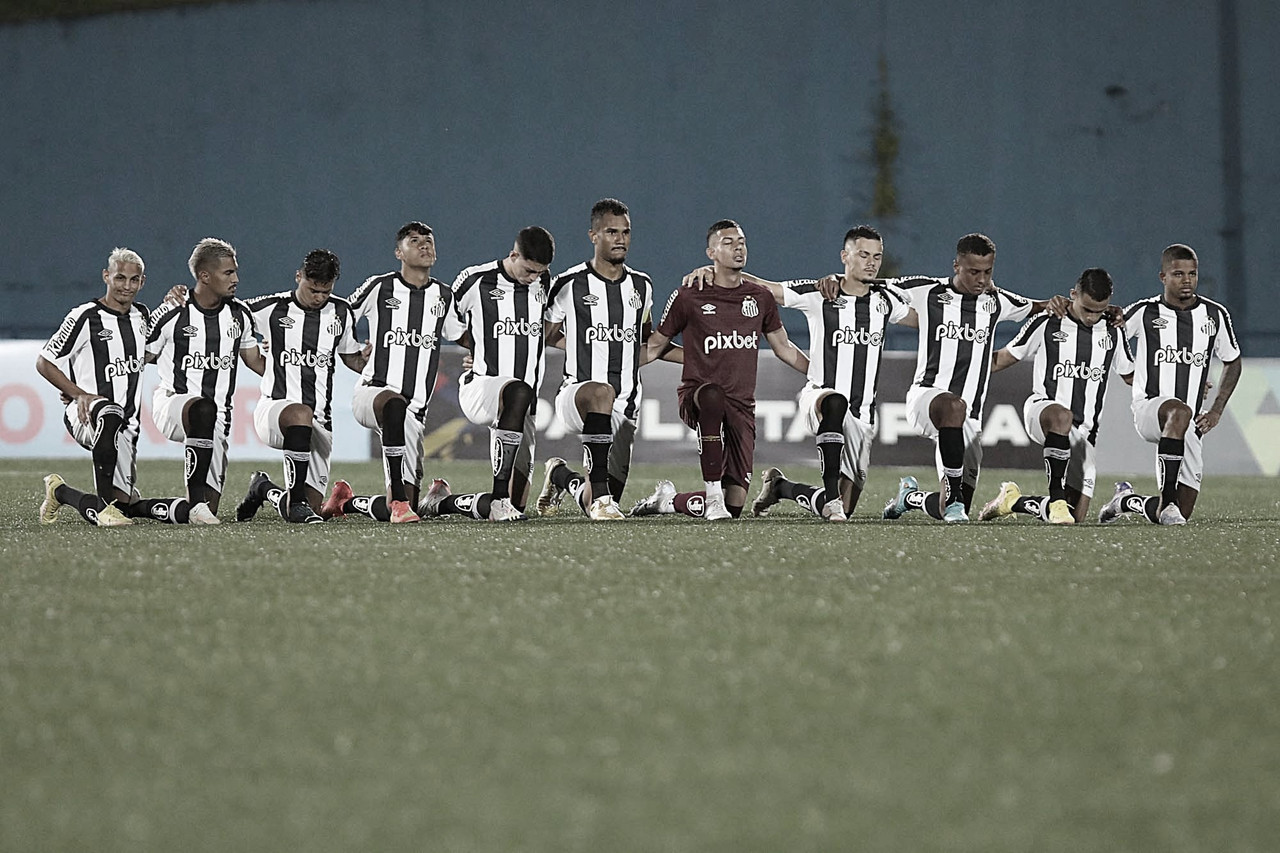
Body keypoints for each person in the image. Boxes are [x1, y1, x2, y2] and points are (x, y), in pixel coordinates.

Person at [719, 225, 919, 522]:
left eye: (877, 256)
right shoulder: (819, 293)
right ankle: (834, 502)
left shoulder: (885, 300)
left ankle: (781, 487)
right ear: (844, 256)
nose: (871, 262)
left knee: (844, 506)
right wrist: (720, 272)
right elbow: (767, 288)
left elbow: (925, 318)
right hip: (820, 396)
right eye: (863, 254)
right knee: (835, 402)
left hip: (862, 415)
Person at [881, 233, 1067, 523]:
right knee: (953, 406)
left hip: (969, 417)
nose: (981, 279)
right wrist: (834, 282)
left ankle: (911, 497)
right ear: (956, 266)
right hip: (927, 398)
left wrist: (1057, 304)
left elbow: (1035, 306)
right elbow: (873, 287)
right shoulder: (928, 290)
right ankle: (953, 499)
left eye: (987, 272)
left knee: (953, 508)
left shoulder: (996, 300)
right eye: (973, 272)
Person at [634, 219, 809, 521]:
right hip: (698, 397)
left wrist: (822, 375)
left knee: (736, 505)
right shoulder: (689, 294)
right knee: (712, 396)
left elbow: (785, 349)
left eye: (741, 241)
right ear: (711, 252)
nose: (738, 247)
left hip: (741, 405)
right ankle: (712, 494)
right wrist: (608, 365)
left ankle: (668, 501)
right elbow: (654, 346)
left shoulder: (760, 298)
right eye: (728, 242)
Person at [36, 248, 211, 527]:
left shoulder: (141, 316)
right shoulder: (85, 316)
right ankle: (105, 510)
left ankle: (60, 492)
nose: (126, 286)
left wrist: (172, 300)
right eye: (120, 278)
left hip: (126, 426)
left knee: (125, 504)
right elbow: (45, 362)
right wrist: (77, 393)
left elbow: (148, 355)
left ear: (142, 282)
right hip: (87, 415)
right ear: (106, 276)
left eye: (134, 280)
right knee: (110, 410)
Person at [534, 198, 675, 521]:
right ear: (593, 236)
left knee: (601, 492)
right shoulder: (570, 284)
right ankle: (600, 499)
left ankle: (560, 476)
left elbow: (648, 344)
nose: (621, 239)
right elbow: (543, 334)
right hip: (577, 395)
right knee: (600, 392)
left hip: (625, 405)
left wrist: (700, 358)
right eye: (612, 232)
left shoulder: (642, 286)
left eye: (626, 232)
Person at [323, 221, 464, 524]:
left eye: (429, 240)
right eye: (415, 241)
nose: (424, 245)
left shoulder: (443, 295)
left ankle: (346, 503)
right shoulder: (380, 287)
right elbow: (340, 314)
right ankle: (399, 499)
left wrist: (477, 358)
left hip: (413, 413)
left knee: (405, 511)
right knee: (393, 403)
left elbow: (464, 335)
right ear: (398, 252)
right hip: (373, 394)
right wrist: (350, 352)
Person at [1096, 244, 1242, 525]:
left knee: (1178, 515)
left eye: (1192, 274)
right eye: (1178, 274)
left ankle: (1125, 501)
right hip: (1150, 408)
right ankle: (1169, 501)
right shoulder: (1145, 311)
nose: (1186, 280)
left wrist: (1216, 410)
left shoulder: (1215, 315)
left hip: (1189, 422)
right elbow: (1110, 331)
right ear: (1163, 277)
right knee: (1178, 410)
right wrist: (1129, 371)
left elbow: (1233, 361)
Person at [977, 268, 1134, 525]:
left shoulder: (1113, 330)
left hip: (1084, 435)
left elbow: (1131, 376)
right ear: (1073, 295)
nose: (1093, 317)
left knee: (1076, 517)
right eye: (1087, 309)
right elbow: (1002, 359)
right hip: (1042, 412)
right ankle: (1057, 500)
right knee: (1062, 416)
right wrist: (961, 361)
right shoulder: (1048, 321)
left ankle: (1012, 501)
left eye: (1099, 310)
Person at [419, 226, 554, 523]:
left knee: (519, 503)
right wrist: (476, 348)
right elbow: (445, 319)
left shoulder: (543, 282)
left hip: (523, 403)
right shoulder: (476, 280)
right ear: (513, 254)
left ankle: (442, 503)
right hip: (481, 387)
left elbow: (548, 327)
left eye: (539, 272)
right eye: (529, 270)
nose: (533, 278)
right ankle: (499, 500)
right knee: (516, 390)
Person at [233, 249, 368, 524]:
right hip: (274, 410)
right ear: (298, 277)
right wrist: (183, 298)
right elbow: (228, 311)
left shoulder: (341, 312)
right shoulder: (272, 308)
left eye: (325, 292)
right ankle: (296, 504)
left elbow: (351, 358)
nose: (319, 297)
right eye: (312, 289)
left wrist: (370, 362)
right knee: (299, 413)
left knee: (313, 507)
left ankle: (262, 488)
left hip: (319, 422)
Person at [146, 238, 264, 523]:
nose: (236, 279)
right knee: (201, 407)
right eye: (228, 273)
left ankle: (143, 507)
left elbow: (257, 362)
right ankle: (195, 503)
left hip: (218, 421)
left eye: (235, 271)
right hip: (173, 405)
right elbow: (138, 357)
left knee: (208, 512)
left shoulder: (239, 315)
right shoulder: (171, 311)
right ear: (204, 276)